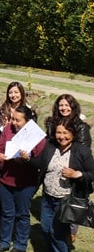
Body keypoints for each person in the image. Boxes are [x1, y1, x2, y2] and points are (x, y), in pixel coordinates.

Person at [31, 117, 94, 252]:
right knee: (45, 228)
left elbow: (92, 173)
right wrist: (27, 158)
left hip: (66, 199)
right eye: (58, 132)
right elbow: (40, 163)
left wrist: (76, 174)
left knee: (57, 230)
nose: (61, 136)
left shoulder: (81, 150)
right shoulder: (50, 145)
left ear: (72, 133)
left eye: (65, 132)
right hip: (48, 196)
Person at [0, 105, 46, 252]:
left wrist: (27, 159)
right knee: (7, 213)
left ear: (27, 121)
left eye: (18, 120)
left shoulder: (36, 136)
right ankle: (4, 241)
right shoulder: (8, 129)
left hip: (26, 182)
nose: (14, 122)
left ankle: (20, 245)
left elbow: (40, 160)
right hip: (7, 179)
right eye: (13, 119)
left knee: (22, 214)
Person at [44, 94, 91, 244]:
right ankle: (57, 245)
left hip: (72, 173)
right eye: (61, 105)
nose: (63, 108)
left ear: (73, 107)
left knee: (71, 211)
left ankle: (67, 241)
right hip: (55, 170)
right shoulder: (53, 123)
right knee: (53, 222)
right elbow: (49, 143)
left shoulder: (81, 126)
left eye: (67, 105)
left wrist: (76, 173)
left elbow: (83, 153)